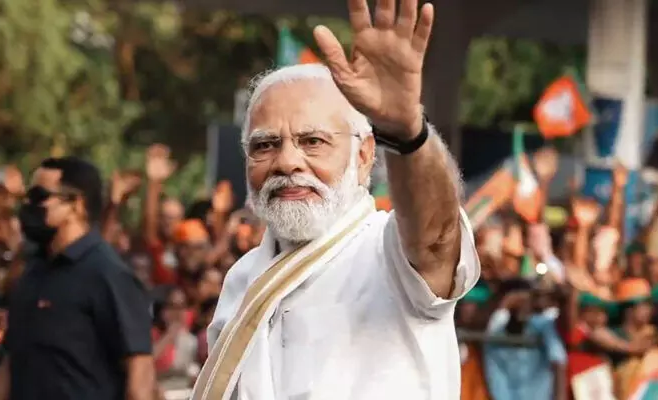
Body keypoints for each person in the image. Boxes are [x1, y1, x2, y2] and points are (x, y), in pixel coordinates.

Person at [192, 0, 481, 399]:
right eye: (265, 145)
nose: (287, 162)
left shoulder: (390, 254)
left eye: (313, 141)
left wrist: (405, 132)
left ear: (364, 156)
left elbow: (435, 236)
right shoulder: (243, 279)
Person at [0, 157, 155, 400]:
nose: (29, 205)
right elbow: (11, 360)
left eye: (39, 196)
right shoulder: (33, 270)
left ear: (76, 205)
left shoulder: (107, 274)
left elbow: (139, 370)